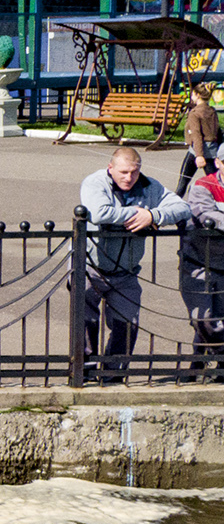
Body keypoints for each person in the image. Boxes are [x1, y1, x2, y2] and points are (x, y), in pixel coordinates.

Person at [81, 146, 189, 383]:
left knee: (127, 324)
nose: (129, 177)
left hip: (126, 272)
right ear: (111, 168)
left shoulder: (150, 186)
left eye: (134, 172)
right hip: (90, 267)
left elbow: (182, 207)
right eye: (123, 172)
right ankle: (85, 372)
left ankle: (113, 374)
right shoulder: (95, 183)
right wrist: (138, 212)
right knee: (85, 320)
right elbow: (99, 213)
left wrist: (153, 216)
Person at [177, 166, 224, 382]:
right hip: (199, 260)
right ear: (218, 162)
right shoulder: (204, 186)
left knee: (217, 317)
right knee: (203, 318)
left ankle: (196, 367)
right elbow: (206, 214)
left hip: (222, 262)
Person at [178, 82, 222, 195]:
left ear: (197, 95)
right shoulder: (211, 110)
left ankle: (173, 206)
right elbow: (218, 131)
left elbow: (196, 134)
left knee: (183, 182)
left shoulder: (195, 113)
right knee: (217, 182)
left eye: (192, 94)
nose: (191, 96)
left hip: (198, 150)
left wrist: (199, 155)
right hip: (212, 150)